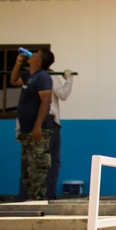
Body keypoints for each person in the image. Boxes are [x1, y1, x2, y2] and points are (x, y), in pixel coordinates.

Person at [10, 49, 56, 201]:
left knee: (38, 167)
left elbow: (46, 101)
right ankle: (30, 198)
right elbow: (14, 80)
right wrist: (18, 63)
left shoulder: (43, 77)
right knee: (27, 168)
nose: (32, 54)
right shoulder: (30, 76)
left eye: (36, 53)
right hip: (26, 131)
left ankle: (39, 200)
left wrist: (38, 125)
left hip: (38, 130)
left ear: (39, 61)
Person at [44, 69, 74, 200]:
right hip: (49, 121)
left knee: (32, 160)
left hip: (33, 122)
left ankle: (30, 194)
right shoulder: (49, 76)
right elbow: (63, 94)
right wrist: (69, 78)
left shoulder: (31, 78)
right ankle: (48, 194)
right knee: (52, 160)